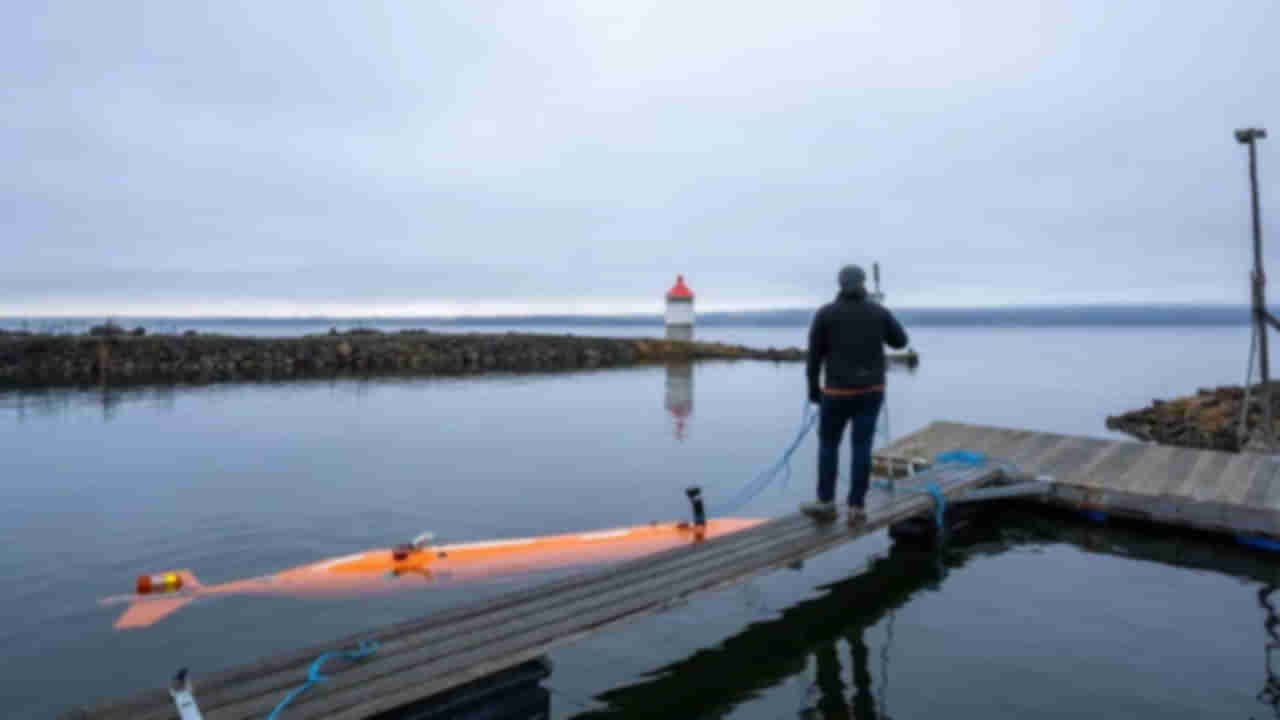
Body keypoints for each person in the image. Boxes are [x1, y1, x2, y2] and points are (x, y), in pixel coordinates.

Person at [801, 265, 909, 526]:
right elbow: (900, 341)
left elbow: (814, 358)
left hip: (836, 393)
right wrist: (881, 314)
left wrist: (814, 391)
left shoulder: (825, 314)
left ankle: (826, 503)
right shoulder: (878, 312)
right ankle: (856, 507)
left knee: (829, 446)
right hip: (871, 392)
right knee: (861, 447)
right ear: (863, 284)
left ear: (840, 284)